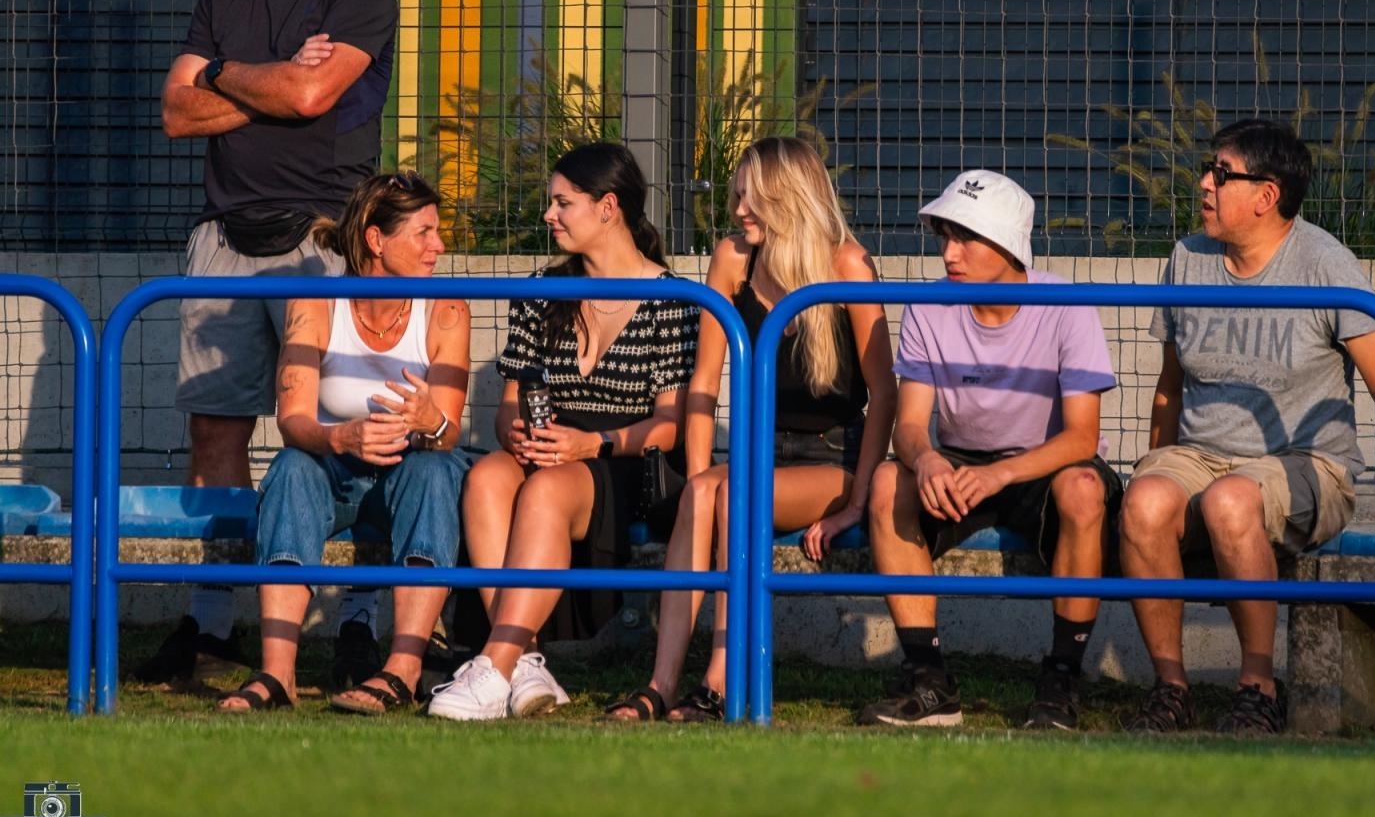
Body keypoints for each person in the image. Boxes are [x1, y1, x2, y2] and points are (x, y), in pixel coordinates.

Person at [140, 0, 398, 685]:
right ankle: (214, 627)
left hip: (325, 240)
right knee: (215, 429)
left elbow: (313, 97)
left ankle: (356, 623)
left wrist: (234, 79)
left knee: (346, 425)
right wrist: (259, 77)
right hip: (223, 236)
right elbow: (178, 113)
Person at [1118, 118, 1375, 736]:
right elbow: (1169, 388)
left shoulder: (1325, 265)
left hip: (1309, 466)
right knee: (1143, 501)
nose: (1203, 183)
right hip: (1202, 452)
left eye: (1221, 174)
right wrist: (1157, 470)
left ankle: (1258, 687)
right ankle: (1171, 689)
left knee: (1230, 502)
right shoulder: (1187, 259)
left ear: (1267, 195)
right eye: (1208, 169)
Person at [605, 137, 896, 722]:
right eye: (737, 195)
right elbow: (704, 383)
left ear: (791, 199)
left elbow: (885, 393)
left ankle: (716, 682)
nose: (738, 209)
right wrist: (695, 475)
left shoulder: (848, 264)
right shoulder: (734, 259)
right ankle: (661, 685)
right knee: (709, 492)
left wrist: (855, 504)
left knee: (725, 494)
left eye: (752, 197)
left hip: (830, 458)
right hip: (758, 454)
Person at [427, 142, 698, 721]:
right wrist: (517, 435)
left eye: (561, 203)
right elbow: (506, 410)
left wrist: (589, 444)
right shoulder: (541, 289)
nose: (548, 216)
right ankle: (524, 659)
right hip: (547, 447)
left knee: (548, 489)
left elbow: (670, 427)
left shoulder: (671, 300)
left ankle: (493, 665)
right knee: (487, 478)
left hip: (620, 459)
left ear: (608, 207)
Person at [855, 170, 1122, 729]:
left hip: (1041, 465)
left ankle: (1061, 680)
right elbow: (908, 425)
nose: (949, 253)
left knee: (1083, 488)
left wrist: (1001, 476)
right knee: (887, 483)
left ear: (1007, 244)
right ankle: (929, 681)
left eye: (965, 237)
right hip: (956, 464)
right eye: (944, 236)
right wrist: (924, 458)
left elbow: (1081, 438)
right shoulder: (930, 306)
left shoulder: (1067, 306)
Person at [216, 172, 469, 712]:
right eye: (423, 232)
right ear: (377, 240)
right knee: (291, 467)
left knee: (430, 470)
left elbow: (448, 439)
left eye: (437, 232)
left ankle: (402, 668)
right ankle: (277, 674)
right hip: (336, 472)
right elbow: (294, 419)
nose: (438, 246)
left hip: (412, 475)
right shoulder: (316, 303)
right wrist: (342, 437)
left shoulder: (446, 309)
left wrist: (431, 422)